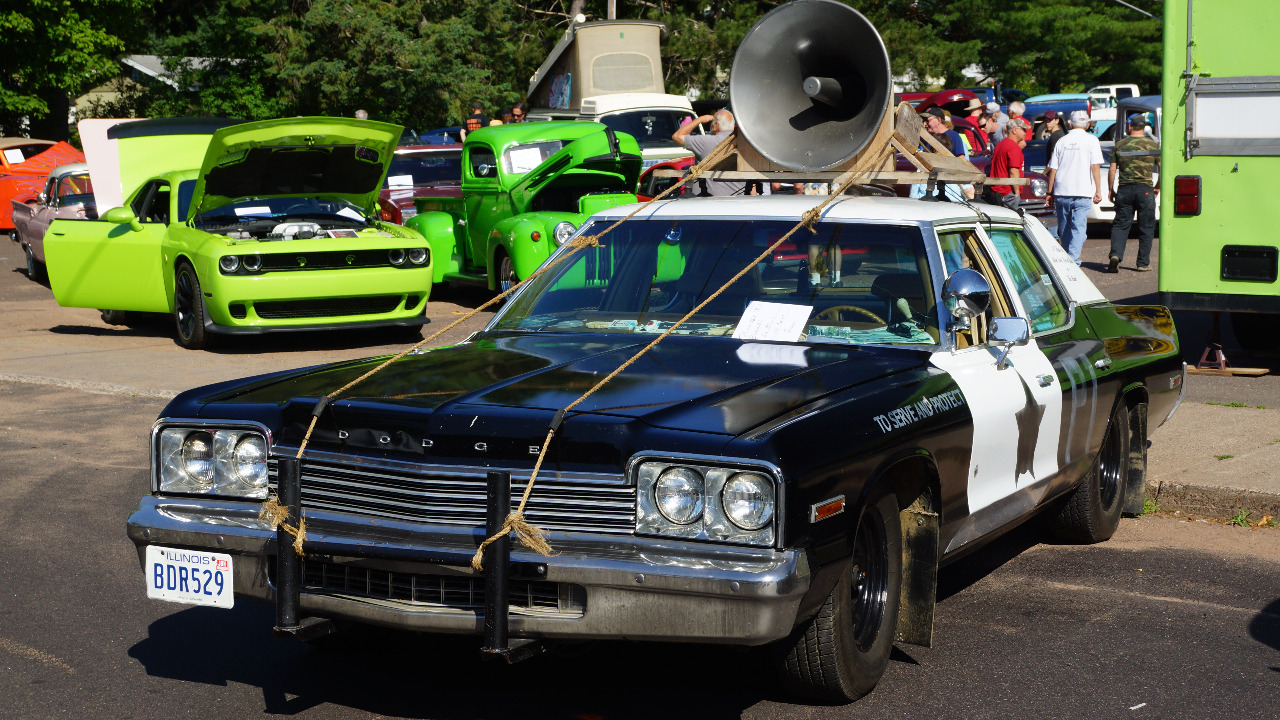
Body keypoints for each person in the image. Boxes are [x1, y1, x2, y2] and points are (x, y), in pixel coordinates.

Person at [1046, 109, 1104, 264]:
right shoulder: (1092, 140)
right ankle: (1073, 259)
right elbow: (1095, 166)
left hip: (1062, 190)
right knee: (1079, 226)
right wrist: (1098, 190)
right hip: (1083, 191)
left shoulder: (1062, 141)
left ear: (1070, 124)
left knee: (1064, 226)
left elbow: (1053, 169)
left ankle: (1068, 257)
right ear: (1087, 125)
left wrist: (1049, 192)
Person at [1107, 114, 1160, 272]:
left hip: (1125, 189)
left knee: (1121, 225)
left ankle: (1115, 255)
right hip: (1145, 190)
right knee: (1146, 226)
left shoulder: (1120, 145)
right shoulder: (1153, 145)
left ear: (1129, 126)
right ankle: (1143, 263)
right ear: (1144, 127)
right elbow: (1162, 167)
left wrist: (1110, 189)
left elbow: (1112, 169)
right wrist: (1158, 186)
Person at [671, 109, 745, 196]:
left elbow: (677, 137)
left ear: (715, 125)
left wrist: (700, 120)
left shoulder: (706, 142)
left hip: (709, 201)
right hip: (740, 200)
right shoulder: (744, 144)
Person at [982, 116, 1031, 210]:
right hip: (1008, 192)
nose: (1026, 132)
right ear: (1014, 130)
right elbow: (1013, 171)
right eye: (1023, 129)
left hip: (997, 191)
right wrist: (1017, 191)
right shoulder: (1013, 147)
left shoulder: (1000, 144)